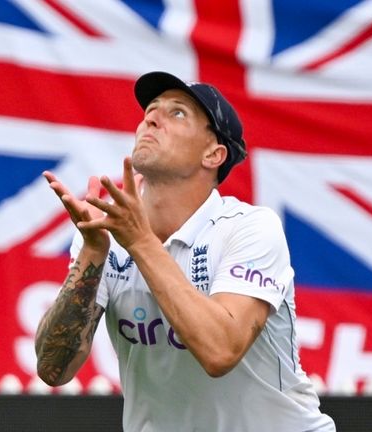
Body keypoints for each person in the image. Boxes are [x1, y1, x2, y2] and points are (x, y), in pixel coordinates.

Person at [35, 71, 335, 432]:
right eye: (150, 109)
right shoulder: (106, 234)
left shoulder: (250, 227)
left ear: (214, 153)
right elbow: (54, 369)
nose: (151, 117)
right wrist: (92, 253)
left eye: (177, 113)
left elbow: (219, 351)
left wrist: (141, 242)